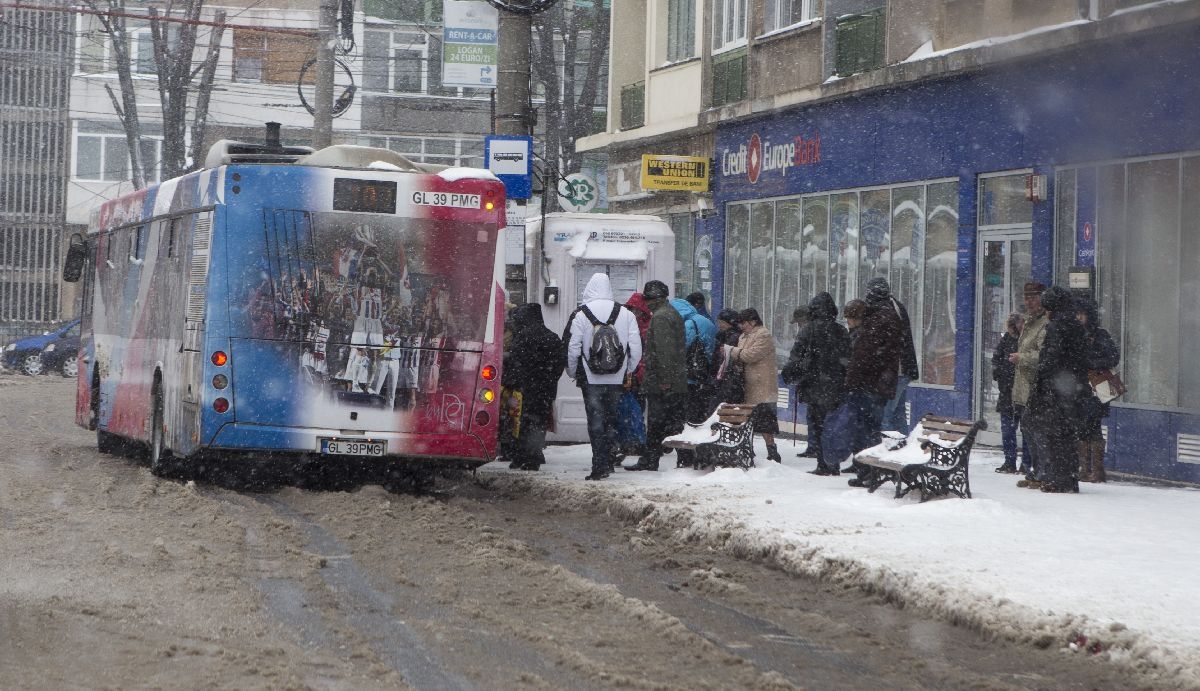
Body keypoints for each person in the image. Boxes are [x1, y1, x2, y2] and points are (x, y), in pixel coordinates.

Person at [566, 273, 643, 481]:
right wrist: (628, 370)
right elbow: (636, 348)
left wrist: (573, 371)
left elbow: (573, 348)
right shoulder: (625, 314)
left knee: (595, 422)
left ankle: (599, 465)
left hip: (591, 378)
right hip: (616, 378)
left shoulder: (581, 314)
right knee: (611, 420)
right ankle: (608, 460)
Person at [1026, 286, 1090, 493]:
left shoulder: (1057, 326)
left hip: (1058, 389)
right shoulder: (1075, 325)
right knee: (1067, 435)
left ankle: (1059, 479)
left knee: (1055, 435)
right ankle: (1069, 478)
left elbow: (1051, 358)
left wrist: (1041, 377)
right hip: (1073, 388)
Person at [834, 298, 904, 487]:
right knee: (869, 430)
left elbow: (860, 362)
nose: (847, 322)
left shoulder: (865, 334)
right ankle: (866, 469)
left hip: (866, 388)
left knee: (866, 431)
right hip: (875, 388)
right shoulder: (878, 329)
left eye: (849, 318)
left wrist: (850, 381)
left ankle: (868, 471)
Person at [782, 292, 849, 474]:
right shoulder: (841, 330)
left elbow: (796, 356)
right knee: (832, 425)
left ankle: (823, 463)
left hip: (814, 384)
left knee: (818, 425)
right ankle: (832, 462)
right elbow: (848, 359)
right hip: (835, 385)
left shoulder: (808, 330)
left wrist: (790, 373)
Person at [626, 281, 687, 472]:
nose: (647, 303)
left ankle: (651, 460)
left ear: (654, 299)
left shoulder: (661, 317)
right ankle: (682, 459)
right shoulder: (670, 313)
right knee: (672, 422)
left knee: (658, 423)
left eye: (648, 299)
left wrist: (664, 380)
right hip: (673, 380)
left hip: (662, 382)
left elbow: (664, 351)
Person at [505, 303, 567, 470]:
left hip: (524, 389)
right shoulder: (552, 337)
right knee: (539, 422)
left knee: (521, 423)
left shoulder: (522, 337)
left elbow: (514, 364)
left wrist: (514, 383)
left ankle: (521, 456)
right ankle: (535, 454)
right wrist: (549, 379)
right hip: (545, 389)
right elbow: (559, 364)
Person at [725, 308, 782, 463]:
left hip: (762, 386)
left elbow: (750, 355)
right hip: (747, 384)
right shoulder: (744, 336)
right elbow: (742, 355)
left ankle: (772, 451)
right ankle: (746, 449)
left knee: (765, 421)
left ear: (753, 321)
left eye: (744, 323)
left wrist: (731, 350)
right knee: (746, 420)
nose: (741, 326)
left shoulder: (763, 335)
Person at [865, 278, 919, 434]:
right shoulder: (896, 306)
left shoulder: (882, 311)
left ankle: (886, 446)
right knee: (898, 415)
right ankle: (904, 444)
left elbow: (881, 345)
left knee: (885, 416)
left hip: (893, 372)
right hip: (902, 370)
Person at [670, 295, 717, 467]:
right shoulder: (706, 321)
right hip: (704, 375)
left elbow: (681, 349)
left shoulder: (689, 324)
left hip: (690, 377)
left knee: (686, 418)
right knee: (700, 417)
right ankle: (703, 454)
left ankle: (687, 457)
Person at [1076, 295, 1120, 483]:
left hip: (1096, 388)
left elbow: (1113, 358)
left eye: (1082, 314)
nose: (1079, 317)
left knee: (1093, 426)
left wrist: (1091, 363)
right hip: (1079, 388)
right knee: (1082, 427)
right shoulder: (1074, 334)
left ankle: (1097, 470)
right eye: (1077, 314)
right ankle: (1084, 468)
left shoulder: (1100, 335)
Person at [1010, 282, 1049, 488]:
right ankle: (1035, 470)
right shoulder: (1028, 322)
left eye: (1033, 298)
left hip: (1036, 387)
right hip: (1024, 386)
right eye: (1026, 298)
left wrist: (1022, 358)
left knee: (1037, 430)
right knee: (1027, 428)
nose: (1029, 302)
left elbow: (1043, 355)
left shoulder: (1044, 323)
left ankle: (1043, 472)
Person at [992, 312, 1026, 474]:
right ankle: (1011, 462)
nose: (1015, 328)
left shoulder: (1026, 341)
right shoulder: (1006, 340)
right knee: (1009, 429)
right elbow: (996, 358)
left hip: (1022, 392)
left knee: (1024, 430)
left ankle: (1025, 464)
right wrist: (999, 373)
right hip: (1007, 392)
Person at [711, 309, 745, 406]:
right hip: (725, 379)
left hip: (728, 380)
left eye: (722, 322)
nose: (719, 325)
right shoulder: (723, 336)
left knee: (719, 407)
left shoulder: (733, 337)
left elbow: (726, 360)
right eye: (718, 322)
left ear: (730, 323)